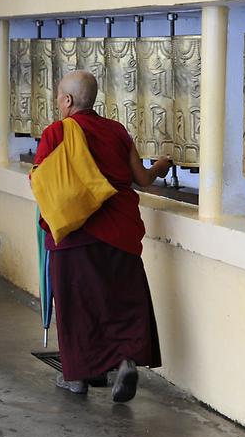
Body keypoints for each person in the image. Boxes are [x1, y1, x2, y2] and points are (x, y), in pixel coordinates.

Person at [33, 70, 170, 402]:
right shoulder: (117, 131)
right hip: (119, 230)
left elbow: (40, 181)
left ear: (67, 100)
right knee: (121, 302)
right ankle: (124, 360)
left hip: (74, 234)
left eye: (58, 97)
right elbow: (142, 178)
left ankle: (77, 378)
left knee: (76, 305)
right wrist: (161, 166)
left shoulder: (56, 133)